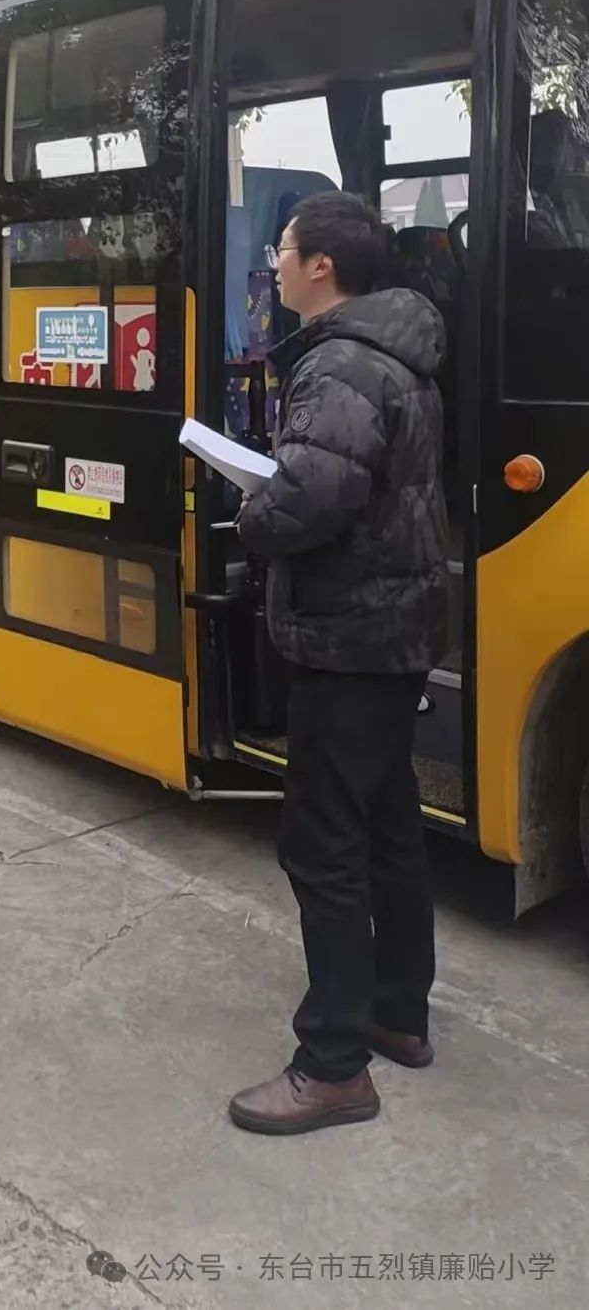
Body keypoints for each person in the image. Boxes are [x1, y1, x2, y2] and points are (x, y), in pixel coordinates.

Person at [228, 191, 449, 1137]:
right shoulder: (397, 348)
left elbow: (310, 495)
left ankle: (333, 1063)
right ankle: (399, 1010)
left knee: (324, 845)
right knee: (390, 820)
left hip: (345, 635)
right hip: (393, 629)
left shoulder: (341, 366)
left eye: (282, 249)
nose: (273, 264)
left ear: (321, 266)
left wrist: (249, 512)